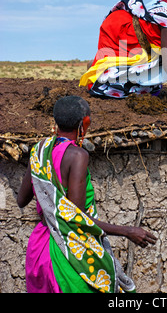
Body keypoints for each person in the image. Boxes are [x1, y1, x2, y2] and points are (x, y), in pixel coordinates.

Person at [17, 95, 157, 293]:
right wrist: (127, 231)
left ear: (55, 121)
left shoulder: (39, 151)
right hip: (67, 255)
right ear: (85, 123)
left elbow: (21, 200)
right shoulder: (77, 156)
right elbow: (76, 219)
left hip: (39, 251)